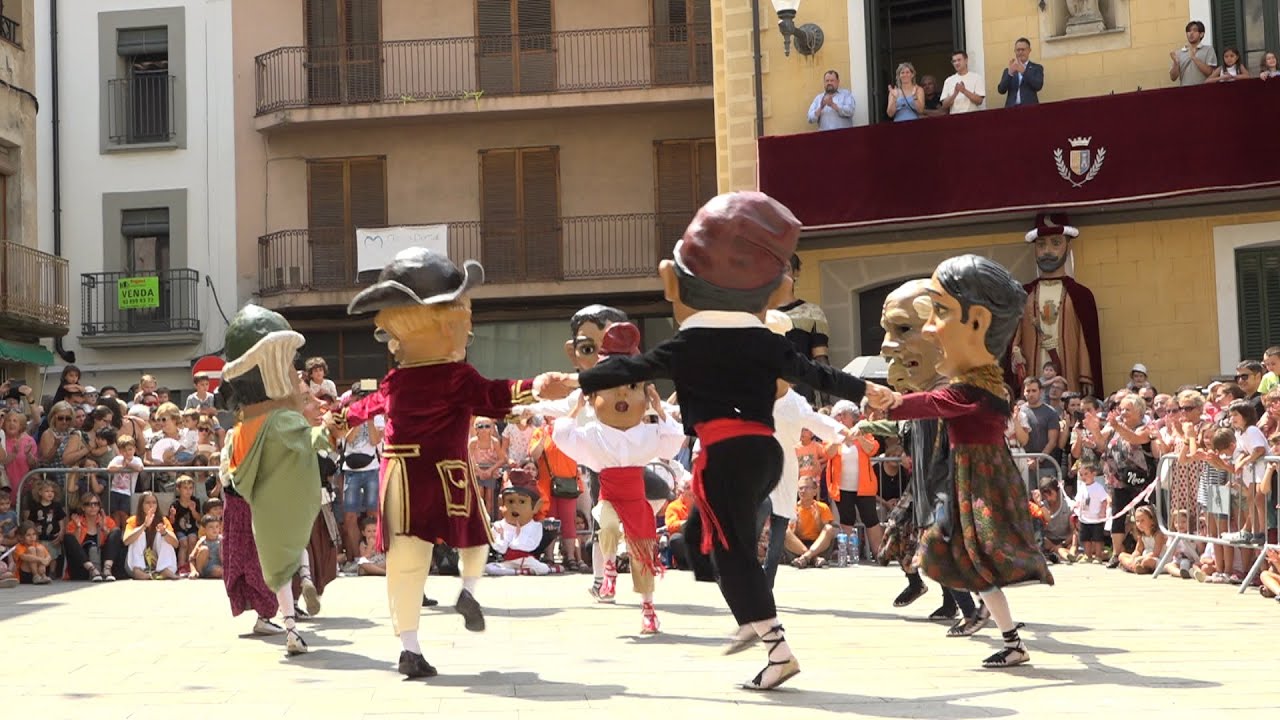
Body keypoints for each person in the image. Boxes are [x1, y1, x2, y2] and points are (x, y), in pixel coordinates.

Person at [578, 191, 891, 690]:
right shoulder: (765, 340)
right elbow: (818, 372)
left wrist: (580, 379)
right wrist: (868, 389)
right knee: (706, 540)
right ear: (773, 291)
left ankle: (775, 645)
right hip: (763, 453)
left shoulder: (689, 341)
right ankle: (749, 612)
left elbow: (632, 368)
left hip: (726, 454)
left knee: (732, 554)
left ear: (676, 283)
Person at [338, 247, 575, 679]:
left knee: (406, 562)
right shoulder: (456, 377)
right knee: (475, 539)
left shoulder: (396, 379)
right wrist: (535, 386)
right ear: (446, 325)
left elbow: (367, 405)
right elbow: (496, 395)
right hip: (447, 474)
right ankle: (467, 590)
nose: (468, 331)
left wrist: (339, 416)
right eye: (464, 321)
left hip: (401, 478)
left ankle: (409, 647)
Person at [880, 255, 1054, 669]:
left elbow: (930, 402)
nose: (928, 328)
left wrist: (884, 404)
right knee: (961, 557)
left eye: (939, 312)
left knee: (972, 559)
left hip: (978, 484)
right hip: (975, 479)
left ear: (977, 324)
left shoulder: (972, 390)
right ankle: (1004, 636)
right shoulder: (984, 385)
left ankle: (1002, 634)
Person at [218, 305, 340, 656]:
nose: (294, 374)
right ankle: (299, 600)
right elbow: (310, 443)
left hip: (261, 506)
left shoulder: (247, 424)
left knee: (279, 565)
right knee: (293, 551)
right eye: (288, 366)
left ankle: (290, 625)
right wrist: (329, 430)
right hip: (286, 502)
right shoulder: (281, 420)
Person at [552, 323, 686, 633]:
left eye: (631, 386)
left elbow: (673, 439)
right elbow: (563, 434)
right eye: (613, 387)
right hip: (611, 497)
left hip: (637, 499)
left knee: (642, 555)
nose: (623, 393)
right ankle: (608, 573)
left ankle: (648, 609)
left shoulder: (648, 433)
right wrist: (577, 407)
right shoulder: (594, 434)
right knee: (608, 525)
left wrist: (658, 407)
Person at [1009, 212, 1103, 397]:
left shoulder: (1080, 295)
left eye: (1056, 243)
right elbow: (1014, 336)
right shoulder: (1023, 294)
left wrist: (1086, 374)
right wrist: (1015, 353)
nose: (1047, 251)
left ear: (1068, 245)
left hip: (1068, 374)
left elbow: (1086, 341)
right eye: (1041, 244)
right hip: (1032, 375)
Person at [62, 493, 126, 581]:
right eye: (88, 504)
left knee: (116, 531)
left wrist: (104, 529)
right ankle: (92, 570)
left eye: (96, 504)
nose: (93, 507)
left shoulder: (106, 520)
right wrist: (78, 528)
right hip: (82, 568)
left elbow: (111, 545)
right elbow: (75, 547)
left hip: (103, 562)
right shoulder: (74, 522)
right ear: (83, 507)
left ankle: (107, 569)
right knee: (68, 537)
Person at [996, 38, 1043, 107]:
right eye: (1018, 50)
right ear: (1015, 51)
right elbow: (1001, 90)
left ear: (1029, 50)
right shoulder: (1009, 70)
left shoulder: (1037, 68)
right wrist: (1010, 74)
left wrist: (1024, 72)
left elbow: (1038, 86)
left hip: (1030, 108)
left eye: (1023, 49)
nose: (1020, 52)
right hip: (1012, 109)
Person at [1169, 20, 1217, 86]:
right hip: (1185, 92)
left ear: (1201, 34)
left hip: (1204, 90)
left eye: (1194, 30)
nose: (1191, 33)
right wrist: (1176, 63)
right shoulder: (1179, 53)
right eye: (1188, 31)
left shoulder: (1208, 50)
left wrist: (1194, 58)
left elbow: (1210, 72)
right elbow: (1173, 78)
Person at [189, 514, 224, 579]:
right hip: (206, 567)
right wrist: (193, 570)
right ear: (204, 529)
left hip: (218, 566)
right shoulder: (202, 540)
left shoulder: (222, 539)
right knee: (204, 549)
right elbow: (191, 558)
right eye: (211, 527)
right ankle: (199, 573)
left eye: (217, 526)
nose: (215, 529)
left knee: (220, 571)